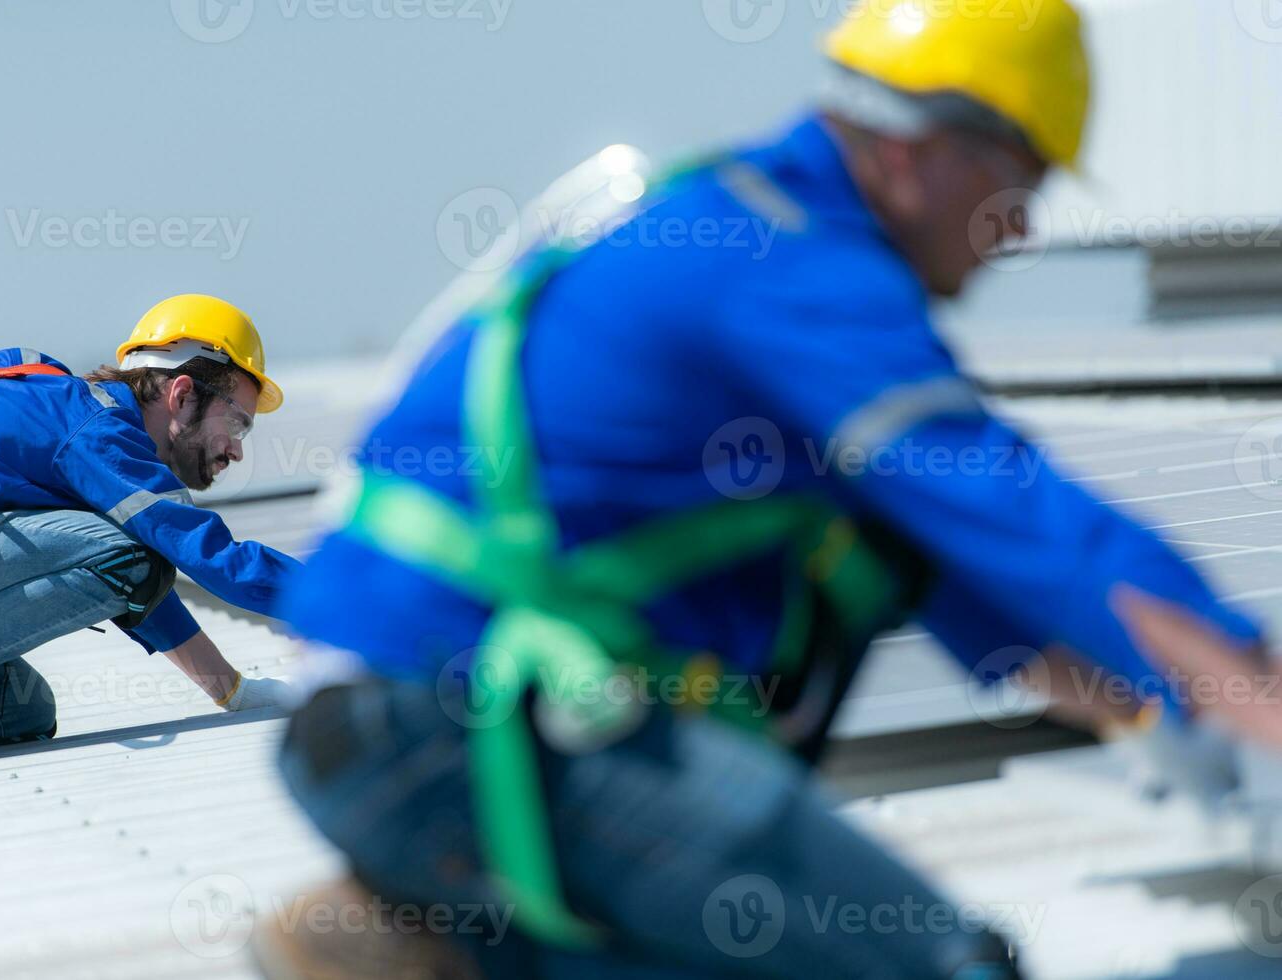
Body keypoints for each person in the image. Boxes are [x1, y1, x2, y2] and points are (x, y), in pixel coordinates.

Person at [259, 2, 1277, 977]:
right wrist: (1256, 693)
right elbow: (1019, 513)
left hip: (389, 725)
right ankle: (457, 952)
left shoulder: (741, 220)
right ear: (923, 148)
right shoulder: (798, 267)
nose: (1017, 232)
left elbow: (957, 580)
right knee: (944, 965)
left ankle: (427, 948)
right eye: (1018, 185)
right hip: (451, 721)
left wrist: (1168, 711)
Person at [0, 294, 297, 772]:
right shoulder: (96, 431)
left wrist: (233, 693)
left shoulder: (42, 393)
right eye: (236, 424)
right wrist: (354, 604)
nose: (235, 450)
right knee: (131, 554)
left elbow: (140, 592)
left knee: (18, 715)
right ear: (183, 394)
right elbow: (206, 558)